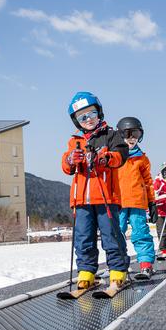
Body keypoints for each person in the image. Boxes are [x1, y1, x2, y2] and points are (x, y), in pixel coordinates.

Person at [61, 91, 130, 291]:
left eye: (91, 113)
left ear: (99, 112)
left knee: (111, 235)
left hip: (106, 197)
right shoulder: (75, 140)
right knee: (83, 237)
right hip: (81, 200)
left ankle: (117, 271)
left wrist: (105, 158)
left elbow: (120, 154)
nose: (88, 119)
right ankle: (86, 272)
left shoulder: (110, 134)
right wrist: (70, 159)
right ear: (76, 121)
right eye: (82, 117)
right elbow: (66, 166)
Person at [115, 116, 156, 280]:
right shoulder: (115, 157)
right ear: (120, 135)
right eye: (128, 134)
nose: (132, 138)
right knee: (116, 234)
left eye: (136, 134)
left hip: (137, 202)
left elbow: (148, 182)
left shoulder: (142, 158)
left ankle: (146, 264)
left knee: (140, 232)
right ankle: (118, 266)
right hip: (117, 202)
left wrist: (152, 202)